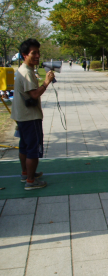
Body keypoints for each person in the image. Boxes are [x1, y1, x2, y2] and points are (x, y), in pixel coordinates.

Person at [10, 38, 55, 190]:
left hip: (21, 116)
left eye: (38, 53)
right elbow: (34, 94)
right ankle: (31, 181)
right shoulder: (27, 72)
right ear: (24, 55)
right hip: (30, 117)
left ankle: (26, 173)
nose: (37, 56)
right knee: (33, 149)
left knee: (24, 146)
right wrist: (46, 82)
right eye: (33, 53)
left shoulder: (23, 70)